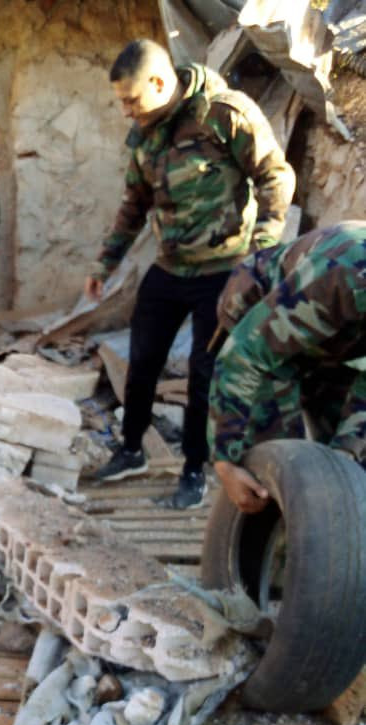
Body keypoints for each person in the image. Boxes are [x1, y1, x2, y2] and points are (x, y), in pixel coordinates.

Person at [85, 38, 295, 508]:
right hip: (170, 268)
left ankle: (194, 472)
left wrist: (260, 255)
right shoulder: (146, 133)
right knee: (142, 361)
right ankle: (132, 449)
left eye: (131, 100)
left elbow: (275, 176)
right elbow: (134, 204)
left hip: (223, 271)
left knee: (204, 374)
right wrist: (105, 263)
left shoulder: (224, 114)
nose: (125, 111)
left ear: (160, 83)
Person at [208, 220, 366, 513]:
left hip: (334, 344)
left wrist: (346, 452)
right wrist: (225, 460)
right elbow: (245, 354)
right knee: (280, 475)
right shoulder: (343, 273)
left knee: (350, 472)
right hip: (263, 325)